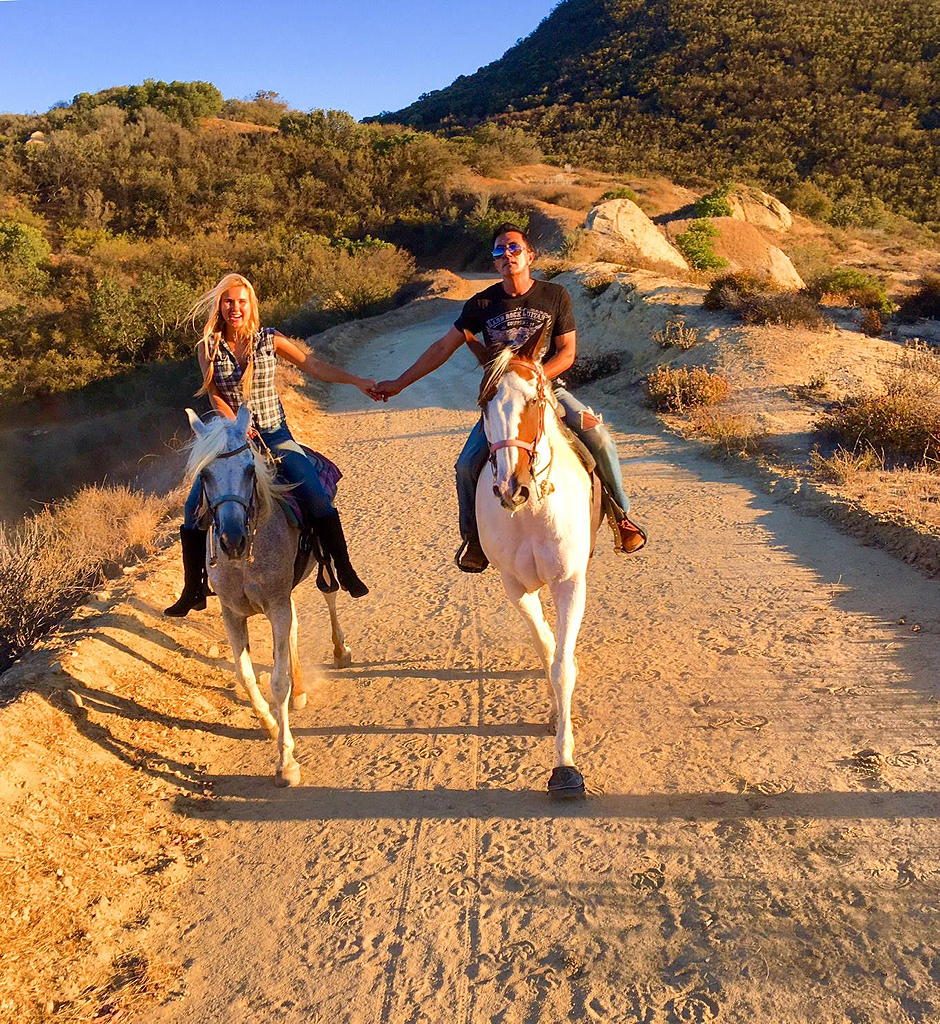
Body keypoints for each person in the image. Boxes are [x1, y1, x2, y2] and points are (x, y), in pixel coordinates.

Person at [370, 223, 646, 572]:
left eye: (514, 248)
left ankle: (621, 517)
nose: (507, 256)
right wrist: (400, 383)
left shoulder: (555, 296)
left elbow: (567, 352)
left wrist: (534, 380)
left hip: (546, 389)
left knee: (600, 440)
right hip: (502, 400)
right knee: (467, 466)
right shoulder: (482, 304)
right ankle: (473, 540)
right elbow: (442, 347)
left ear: (530, 255)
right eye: (499, 251)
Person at [164, 273, 374, 616]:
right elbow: (214, 392)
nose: (235, 308)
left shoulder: (269, 341)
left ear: (251, 306)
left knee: (317, 498)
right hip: (232, 438)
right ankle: (194, 588)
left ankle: (343, 568)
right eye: (229, 301)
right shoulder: (207, 347)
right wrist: (235, 425)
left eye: (241, 302)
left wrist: (357, 381)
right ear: (220, 305)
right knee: (192, 509)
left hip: (276, 435)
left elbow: (314, 366)